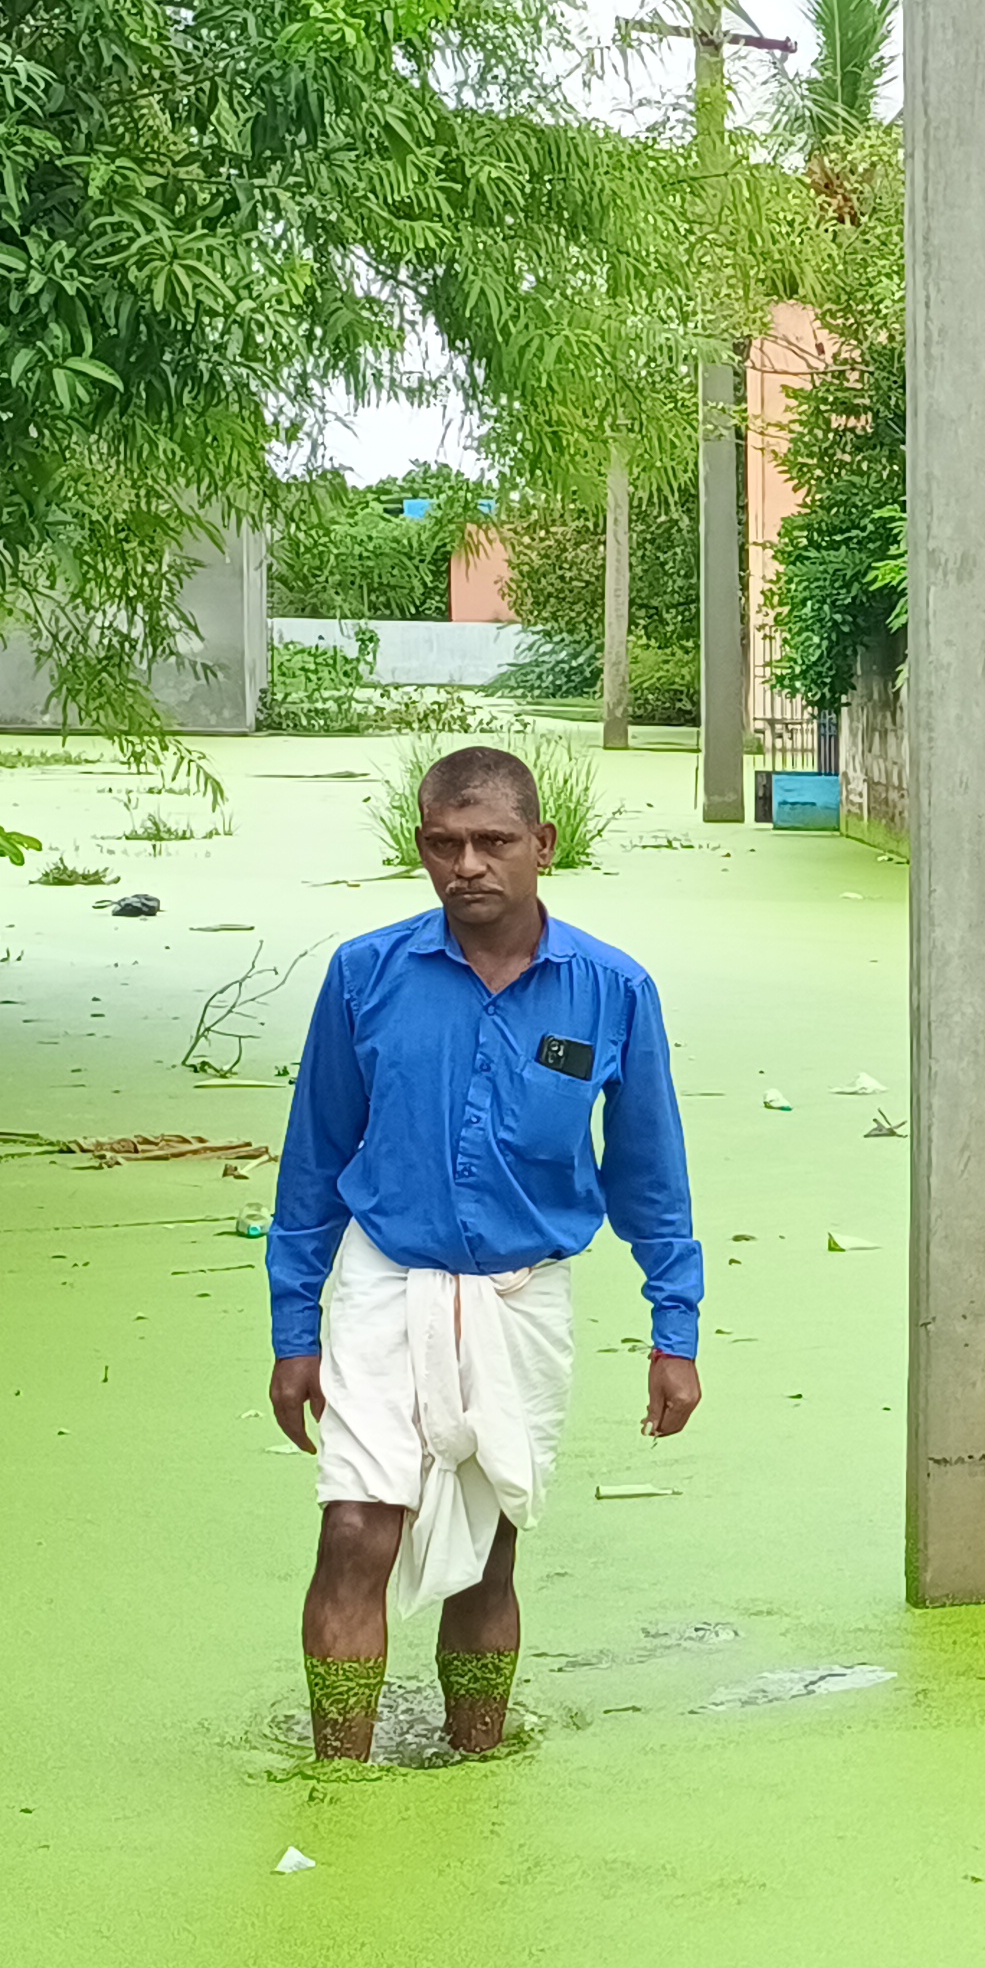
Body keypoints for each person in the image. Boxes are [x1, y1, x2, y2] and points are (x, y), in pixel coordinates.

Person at [267, 745, 705, 1761]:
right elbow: (312, 1166)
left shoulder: (610, 992)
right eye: (443, 843)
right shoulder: (366, 977)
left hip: (521, 1298)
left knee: (487, 1554)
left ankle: (475, 1756)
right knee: (354, 1532)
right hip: (385, 1284)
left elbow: (648, 1175)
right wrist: (296, 1332)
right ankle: (340, 1772)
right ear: (421, 848)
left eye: (492, 842)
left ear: (541, 846)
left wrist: (672, 1330)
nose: (467, 864)